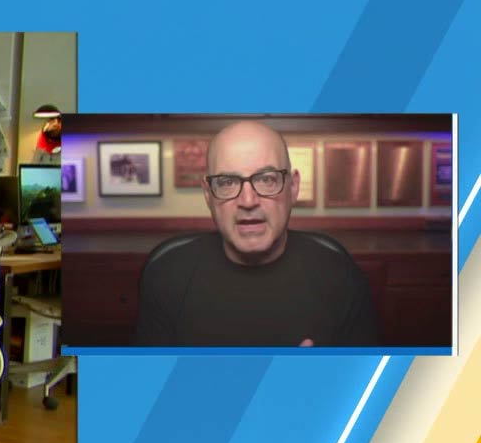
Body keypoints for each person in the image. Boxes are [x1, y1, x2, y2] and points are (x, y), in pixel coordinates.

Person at [134, 120, 377, 347]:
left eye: (266, 179)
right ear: (208, 194)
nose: (248, 201)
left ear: (293, 188)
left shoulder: (340, 275)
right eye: (227, 182)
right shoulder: (167, 274)